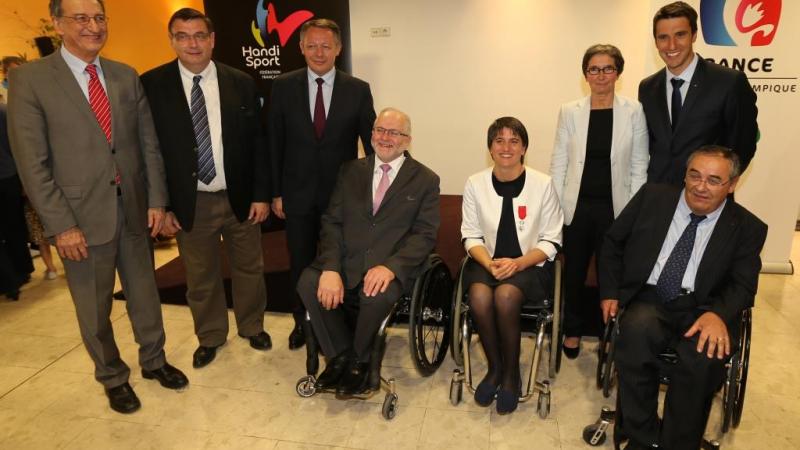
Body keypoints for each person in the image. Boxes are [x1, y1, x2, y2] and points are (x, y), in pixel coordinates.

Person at [7, 0, 188, 414]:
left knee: (144, 294)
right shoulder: (32, 80)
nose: (93, 26)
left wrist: (158, 199)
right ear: (57, 24)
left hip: (135, 210)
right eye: (81, 18)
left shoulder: (124, 76)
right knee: (94, 306)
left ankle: (154, 360)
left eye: (99, 18)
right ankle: (112, 375)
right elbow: (32, 163)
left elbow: (148, 145)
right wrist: (61, 225)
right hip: (79, 219)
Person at [598, 146, 767, 449]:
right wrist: (610, 292)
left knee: (703, 358)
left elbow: (743, 285)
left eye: (714, 180)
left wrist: (718, 314)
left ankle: (678, 444)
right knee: (635, 334)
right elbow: (612, 243)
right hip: (651, 297)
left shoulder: (747, 228)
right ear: (685, 175)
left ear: (732, 185)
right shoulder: (652, 197)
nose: (701, 186)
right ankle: (641, 438)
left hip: (706, 307)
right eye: (695, 175)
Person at [140, 8, 272, 369]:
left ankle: (252, 326)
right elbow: (149, 151)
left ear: (212, 39)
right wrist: (162, 205)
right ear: (172, 41)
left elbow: (258, 144)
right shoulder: (152, 85)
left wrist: (261, 193)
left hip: (240, 199)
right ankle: (211, 336)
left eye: (199, 35)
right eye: (182, 36)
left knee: (250, 268)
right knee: (200, 276)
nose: (192, 43)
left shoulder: (240, 81)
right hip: (189, 202)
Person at [297, 108, 439, 396]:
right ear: (371, 134)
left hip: (390, 267)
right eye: (380, 130)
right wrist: (332, 268)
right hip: (347, 260)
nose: (385, 137)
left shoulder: (425, 179)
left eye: (394, 132)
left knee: (375, 293)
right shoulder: (350, 171)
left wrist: (390, 267)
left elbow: (424, 235)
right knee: (308, 282)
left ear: (407, 140)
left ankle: (361, 362)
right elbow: (332, 222)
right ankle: (339, 356)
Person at [268, 18, 376, 350]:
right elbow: (273, 143)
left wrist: (377, 189)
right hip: (296, 195)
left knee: (339, 261)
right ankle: (303, 321)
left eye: (326, 45)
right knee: (300, 261)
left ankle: (337, 319)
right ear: (300, 47)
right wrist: (275, 192)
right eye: (312, 45)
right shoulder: (283, 87)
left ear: (338, 49)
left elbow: (371, 144)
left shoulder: (357, 89)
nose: (319, 52)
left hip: (341, 197)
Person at [549, 44, 648, 359]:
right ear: (585, 74)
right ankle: (573, 330)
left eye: (608, 68)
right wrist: (557, 208)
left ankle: (609, 336)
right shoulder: (569, 111)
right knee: (574, 274)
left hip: (615, 209)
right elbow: (559, 162)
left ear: (618, 73)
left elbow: (638, 166)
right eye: (594, 68)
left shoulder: (634, 111)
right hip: (576, 209)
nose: (601, 75)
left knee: (612, 279)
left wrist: (631, 213)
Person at [461, 117, 563, 414]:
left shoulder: (543, 184)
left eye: (514, 140)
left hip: (529, 265)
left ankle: (511, 376)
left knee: (505, 296)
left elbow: (551, 239)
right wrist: (490, 263)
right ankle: (495, 369)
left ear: (524, 148)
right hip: (486, 260)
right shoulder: (475, 183)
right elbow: (470, 234)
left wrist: (517, 264)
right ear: (490, 148)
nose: (506, 147)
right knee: (479, 296)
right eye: (499, 141)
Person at [639, 1, 758, 186]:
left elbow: (743, 145)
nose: (671, 45)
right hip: (658, 197)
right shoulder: (647, 88)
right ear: (655, 41)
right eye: (663, 37)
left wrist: (716, 187)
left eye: (680, 35)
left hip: (707, 199)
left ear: (694, 35)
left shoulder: (729, 82)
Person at [0, 102, 33, 299]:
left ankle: (11, 280)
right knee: (15, 226)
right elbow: (17, 146)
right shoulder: (5, 110)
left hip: (8, 176)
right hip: (10, 177)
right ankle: (23, 269)